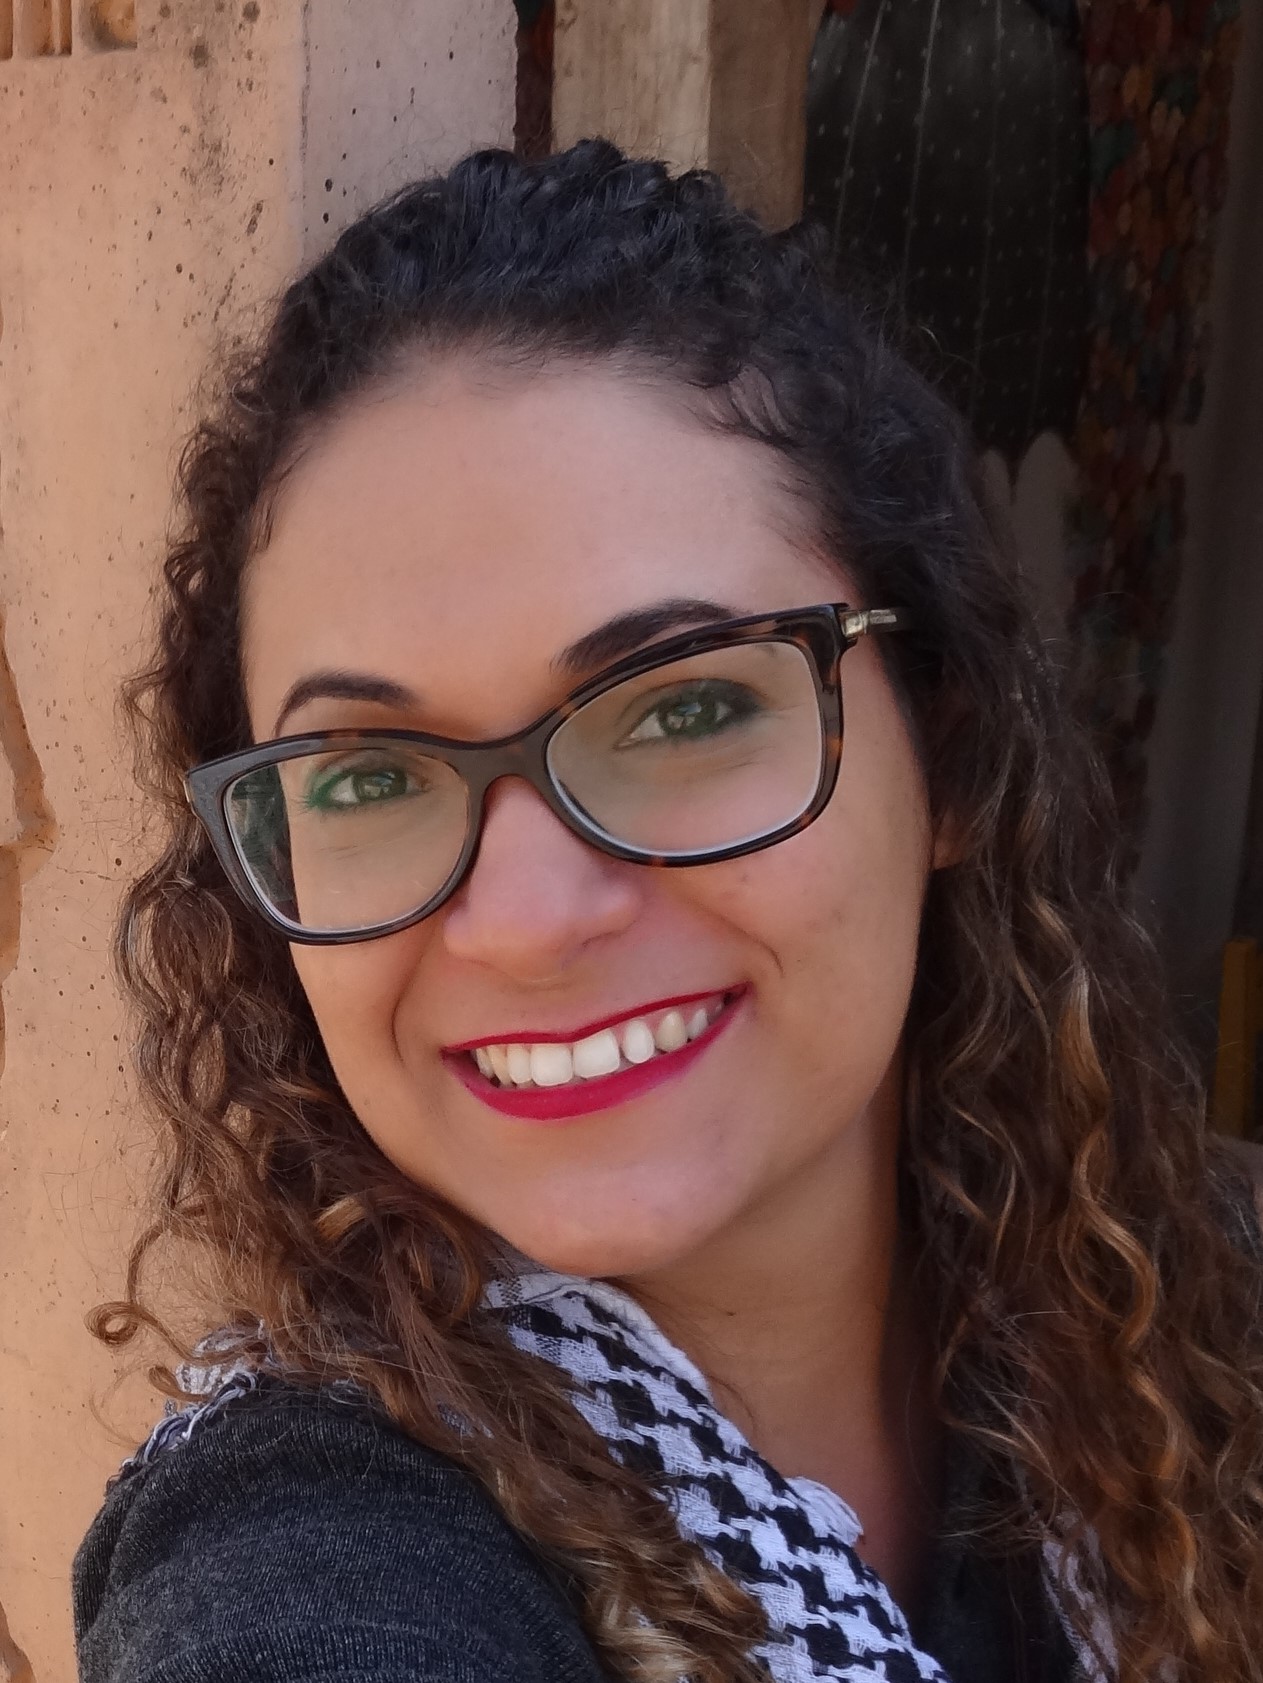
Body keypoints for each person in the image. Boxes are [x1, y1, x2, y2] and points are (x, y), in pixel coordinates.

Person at [73, 141, 1263, 1683]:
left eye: (684, 710)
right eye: (366, 777)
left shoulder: (1185, 1307)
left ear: (952, 756)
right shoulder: (300, 1538)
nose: (524, 920)